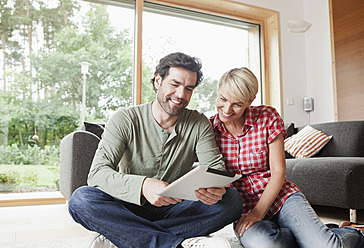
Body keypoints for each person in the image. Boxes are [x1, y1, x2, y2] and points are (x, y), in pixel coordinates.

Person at [68, 52, 243, 248]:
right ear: (158, 80)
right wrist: (143, 185)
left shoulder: (199, 123)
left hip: (175, 207)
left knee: (232, 200)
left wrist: (215, 190)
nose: (181, 95)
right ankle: (174, 243)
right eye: (175, 85)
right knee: (81, 200)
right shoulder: (125, 119)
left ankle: (124, 236)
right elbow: (97, 174)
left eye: (188, 89)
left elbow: (214, 169)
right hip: (129, 205)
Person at [209, 67, 364, 248]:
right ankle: (319, 233)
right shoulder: (209, 130)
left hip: (282, 197)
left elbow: (278, 172)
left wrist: (258, 213)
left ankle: (358, 232)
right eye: (222, 99)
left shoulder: (267, 116)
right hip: (244, 207)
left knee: (327, 246)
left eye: (237, 104)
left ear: (250, 101)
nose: (227, 109)